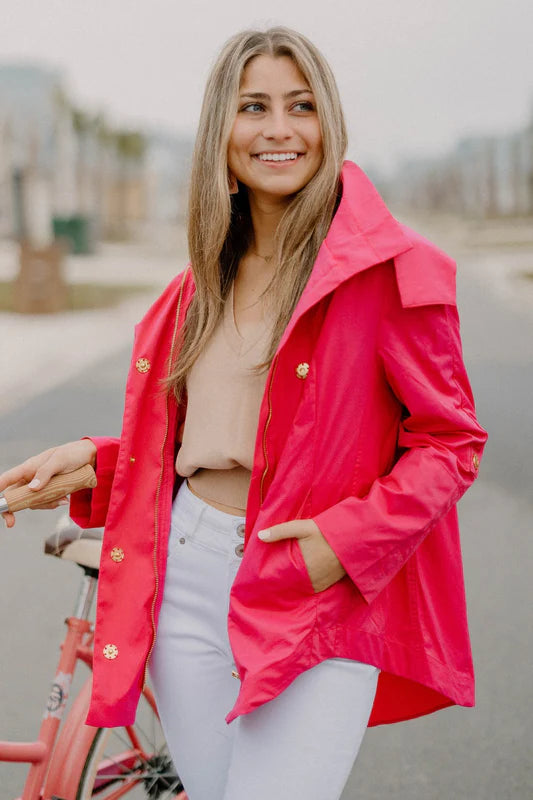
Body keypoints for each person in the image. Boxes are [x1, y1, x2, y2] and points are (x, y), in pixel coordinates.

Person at [0, 26, 487, 800]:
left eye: (300, 106)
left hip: (309, 587)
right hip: (186, 576)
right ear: (219, 130)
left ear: (326, 121)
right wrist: (94, 461)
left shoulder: (390, 272)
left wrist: (340, 543)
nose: (278, 129)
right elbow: (203, 443)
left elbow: (449, 440)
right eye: (252, 106)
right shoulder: (197, 282)